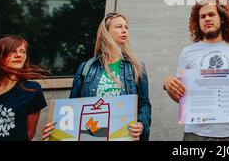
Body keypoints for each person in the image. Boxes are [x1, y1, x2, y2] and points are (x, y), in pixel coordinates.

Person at [163, 0, 229, 141]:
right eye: (202, 17)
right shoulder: (187, 52)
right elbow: (181, 97)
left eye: (211, 14)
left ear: (222, 18)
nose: (207, 19)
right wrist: (169, 83)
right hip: (197, 135)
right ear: (198, 22)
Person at [42, 12, 151, 141]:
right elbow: (72, 108)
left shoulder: (136, 66)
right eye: (119, 27)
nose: (124, 31)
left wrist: (141, 124)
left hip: (122, 136)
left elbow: (144, 104)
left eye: (126, 27)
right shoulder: (86, 68)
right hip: (92, 135)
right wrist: (55, 128)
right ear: (106, 32)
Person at [0, 35, 47, 141]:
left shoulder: (31, 90)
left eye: (23, 51)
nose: (19, 55)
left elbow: (29, 134)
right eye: (13, 51)